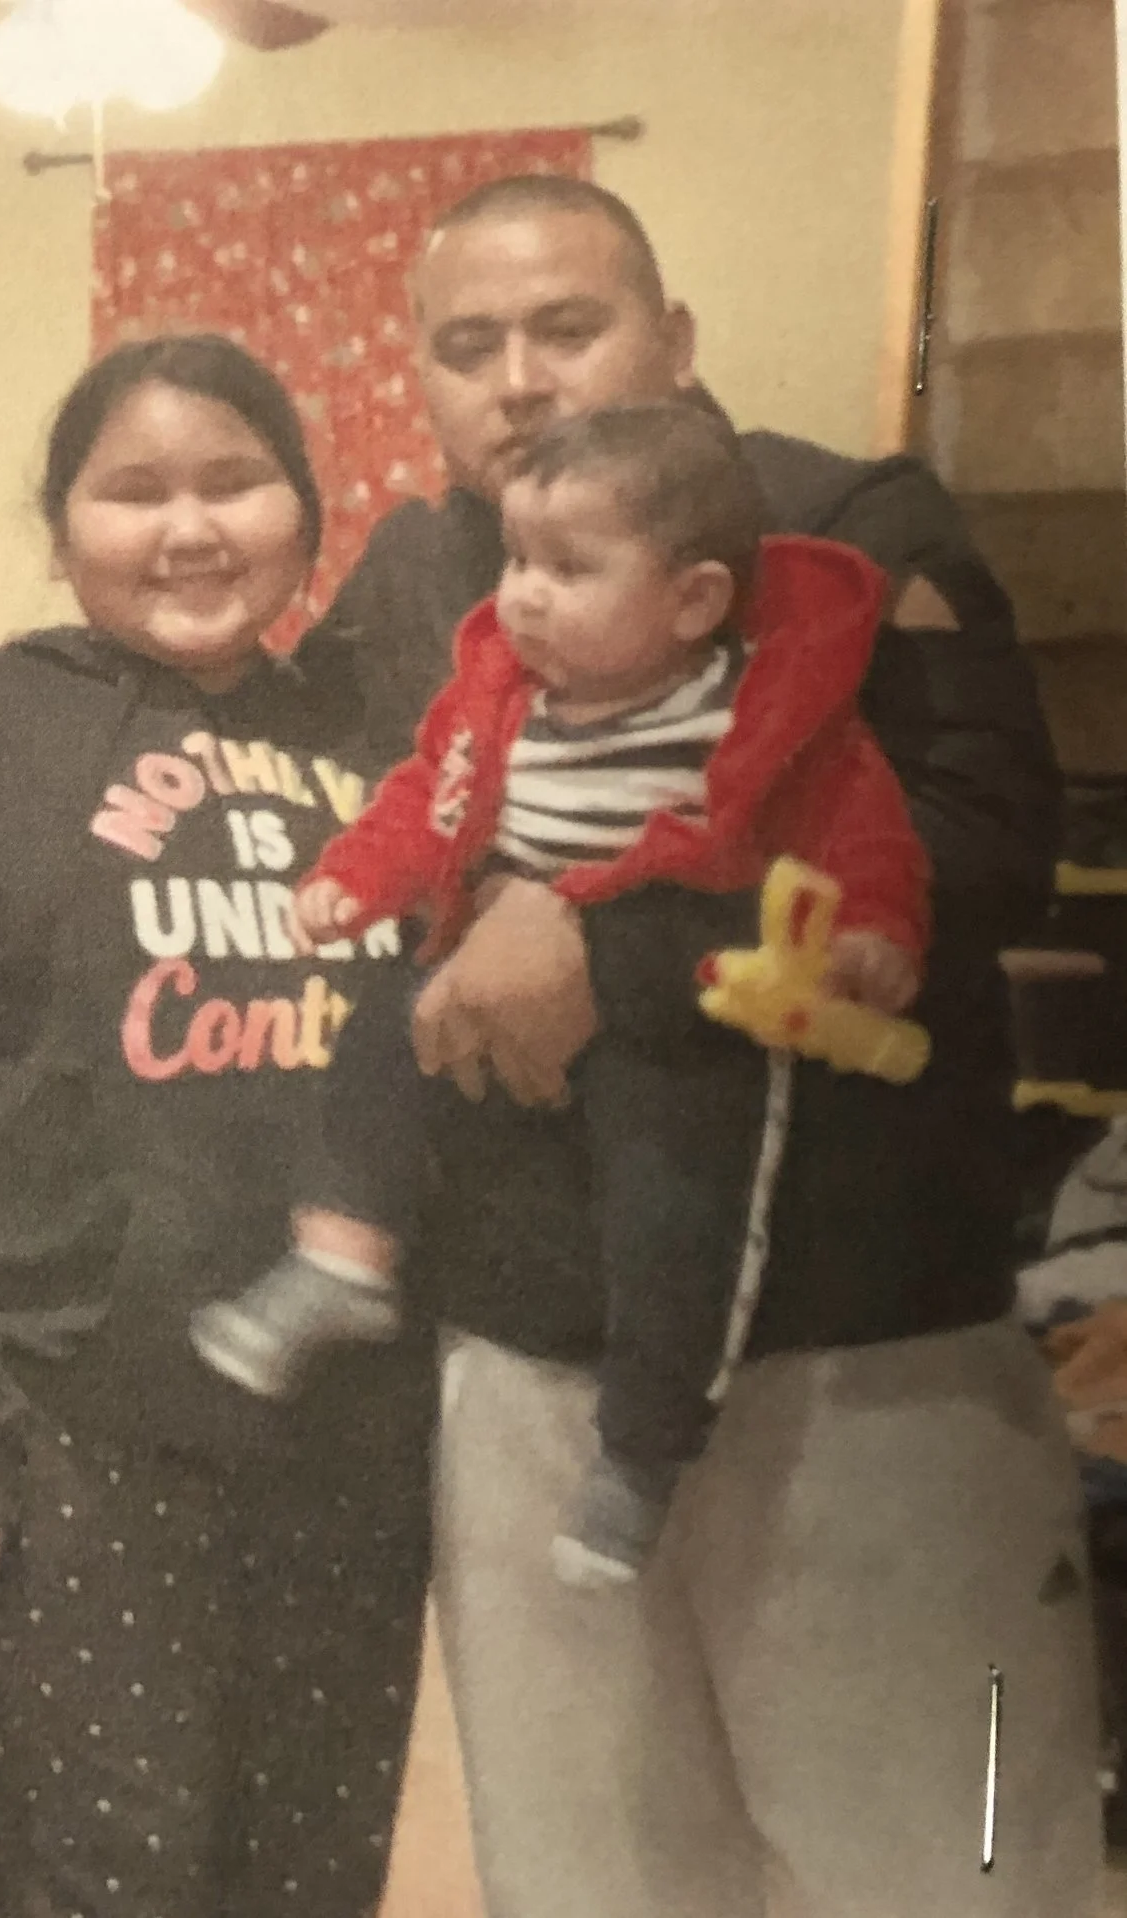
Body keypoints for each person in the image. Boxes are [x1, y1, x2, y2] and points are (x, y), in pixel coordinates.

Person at [296, 173, 1098, 1916]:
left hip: (862, 1353)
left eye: (566, 326)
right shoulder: (415, 573)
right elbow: (359, 822)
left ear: (672, 341)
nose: (518, 377)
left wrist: (612, 948)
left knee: (950, 1867)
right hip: (524, 1348)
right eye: (468, 344)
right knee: (586, 1869)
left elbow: (983, 842)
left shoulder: (850, 522)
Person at [0, 335, 436, 1918]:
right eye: (134, 490)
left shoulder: (383, 742)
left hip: (354, 1429)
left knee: (312, 1867)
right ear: (61, 525)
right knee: (112, 1874)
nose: (190, 528)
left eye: (235, 481)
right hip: (79, 1428)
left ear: (306, 510)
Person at [193, 403, 930, 1586]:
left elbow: (860, 824)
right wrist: (355, 878)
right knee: (376, 1039)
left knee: (673, 1219)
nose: (523, 596)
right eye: (516, 560)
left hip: (683, 1024)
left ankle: (642, 1450)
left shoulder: (755, 708)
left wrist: (877, 931)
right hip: (487, 980)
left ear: (691, 600)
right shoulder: (502, 692)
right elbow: (422, 795)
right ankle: (342, 1257)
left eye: (568, 569)